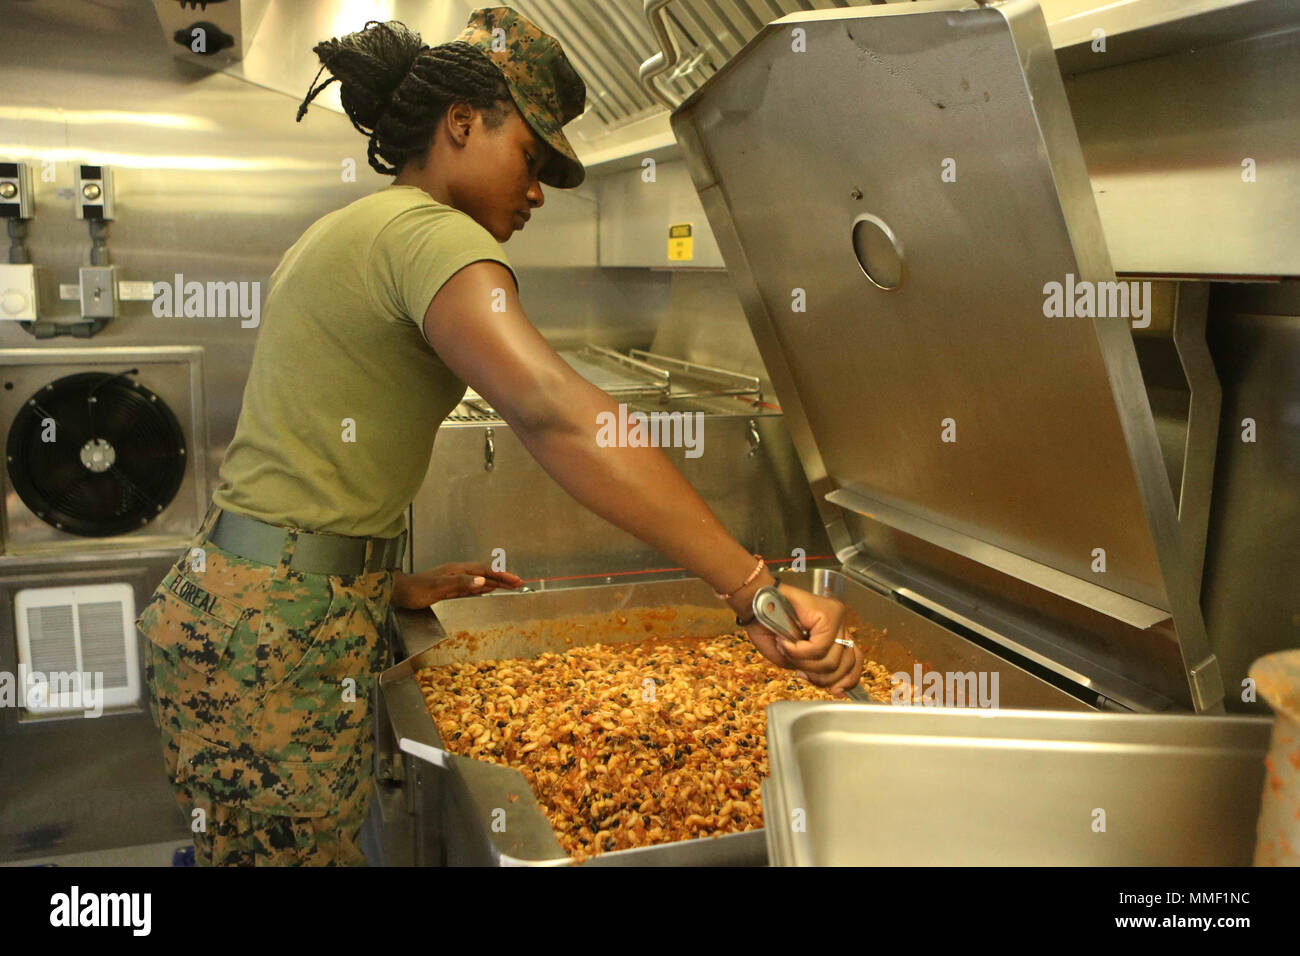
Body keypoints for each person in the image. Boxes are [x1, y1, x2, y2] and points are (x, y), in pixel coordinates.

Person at [136, 6, 863, 867]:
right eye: (530, 158)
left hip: (253, 611)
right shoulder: (429, 235)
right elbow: (554, 412)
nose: (535, 192)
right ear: (460, 123)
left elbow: (297, 464)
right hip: (271, 642)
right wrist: (751, 588)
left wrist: (383, 583)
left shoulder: (360, 229)